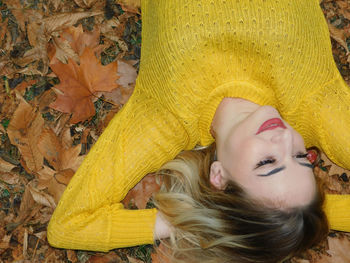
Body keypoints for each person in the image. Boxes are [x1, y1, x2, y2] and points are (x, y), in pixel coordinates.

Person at [47, 0, 350, 262]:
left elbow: (69, 226)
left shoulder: (164, 118)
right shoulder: (316, 105)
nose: (284, 138)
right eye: (300, 156)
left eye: (267, 163)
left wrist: (210, 221)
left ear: (218, 176)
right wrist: (303, 216)